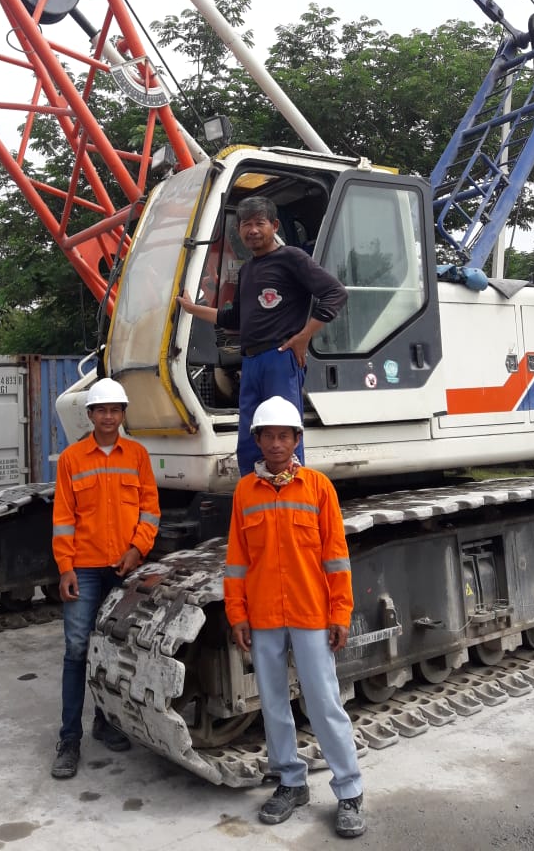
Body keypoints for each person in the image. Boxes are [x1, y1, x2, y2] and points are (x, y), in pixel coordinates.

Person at [224, 396, 365, 838]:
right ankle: (290, 781)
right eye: (268, 436)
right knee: (273, 704)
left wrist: (340, 612)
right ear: (258, 440)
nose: (276, 443)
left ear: (296, 440)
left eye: (284, 436)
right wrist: (237, 613)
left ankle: (349, 791)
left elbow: (336, 557)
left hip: (310, 613)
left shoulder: (318, 488)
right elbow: (236, 560)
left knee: (323, 702)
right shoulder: (245, 493)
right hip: (264, 615)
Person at [177, 195, 347, 475]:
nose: (252, 230)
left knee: (283, 433)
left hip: (280, 358)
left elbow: (335, 293)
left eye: (259, 223)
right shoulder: (247, 270)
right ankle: (252, 491)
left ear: (274, 226)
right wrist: (192, 309)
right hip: (251, 362)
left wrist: (304, 336)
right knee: (250, 436)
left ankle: (291, 493)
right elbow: (234, 318)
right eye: (246, 224)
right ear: (239, 230)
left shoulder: (292, 258)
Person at [50, 377, 160, 780]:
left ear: (123, 414)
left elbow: (150, 509)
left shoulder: (138, 456)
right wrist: (65, 567)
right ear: (91, 414)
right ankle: (69, 739)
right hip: (83, 567)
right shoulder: (72, 459)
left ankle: (105, 720)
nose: (108, 417)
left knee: (111, 648)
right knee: (77, 649)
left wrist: (137, 549)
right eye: (101, 410)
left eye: (115, 410)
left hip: (123, 567)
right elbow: (63, 518)